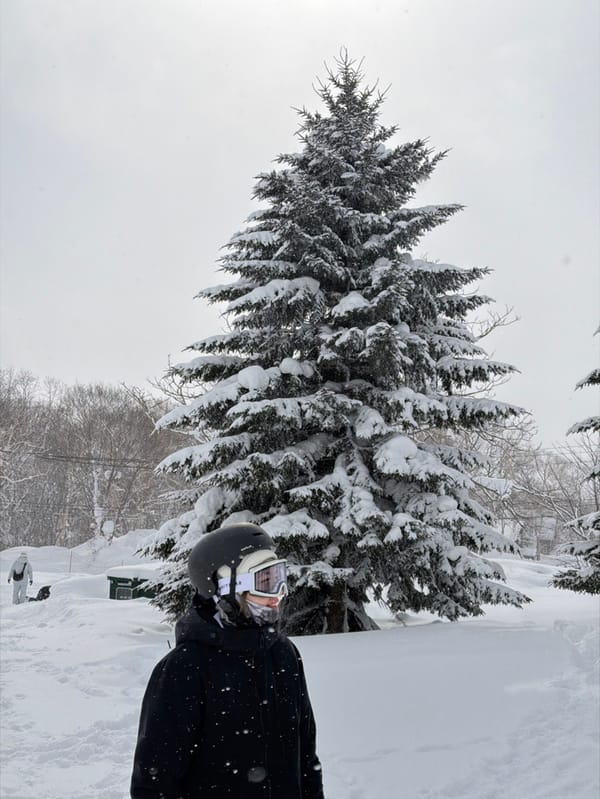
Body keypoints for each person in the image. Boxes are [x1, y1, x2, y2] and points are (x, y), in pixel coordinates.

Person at [130, 522, 325, 798]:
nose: (278, 594)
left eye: (280, 577)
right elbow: (155, 784)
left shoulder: (284, 655)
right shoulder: (183, 669)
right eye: (265, 581)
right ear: (225, 585)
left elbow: (306, 759)